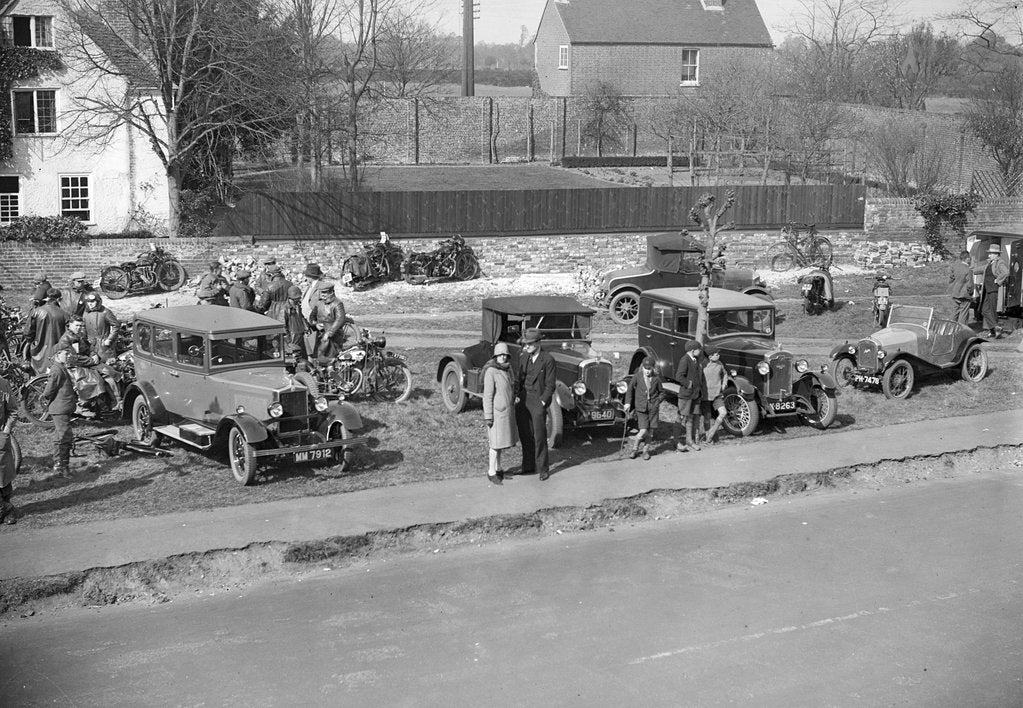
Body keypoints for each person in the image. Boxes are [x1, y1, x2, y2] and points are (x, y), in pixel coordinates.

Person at [515, 327, 556, 481]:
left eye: (530, 344)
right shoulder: (524, 356)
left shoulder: (548, 359)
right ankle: (528, 466)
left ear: (538, 343)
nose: (526, 347)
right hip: (523, 399)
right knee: (525, 434)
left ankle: (543, 468)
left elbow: (550, 385)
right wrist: (517, 396)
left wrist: (542, 402)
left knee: (539, 436)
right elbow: (519, 379)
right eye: (525, 344)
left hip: (537, 401)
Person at [482, 341, 518, 485]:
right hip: (497, 414)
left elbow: (511, 387)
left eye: (505, 354)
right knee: (495, 444)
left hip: (505, 412)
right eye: (500, 354)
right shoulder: (491, 371)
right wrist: (488, 416)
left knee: (501, 443)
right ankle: (491, 471)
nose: (503, 357)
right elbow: (488, 395)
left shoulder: (508, 369)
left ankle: (499, 468)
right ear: (495, 356)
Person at [56, 316, 107, 414]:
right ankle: (82, 406)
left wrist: (94, 355)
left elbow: (89, 348)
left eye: (81, 326)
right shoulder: (65, 339)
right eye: (77, 325)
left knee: (108, 371)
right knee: (95, 380)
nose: (79, 328)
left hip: (84, 362)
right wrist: (91, 360)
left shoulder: (80, 335)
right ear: (69, 325)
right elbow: (72, 358)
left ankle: (105, 403)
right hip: (72, 365)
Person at [43, 348, 77, 479]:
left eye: (69, 353)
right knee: (65, 437)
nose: (68, 356)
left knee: (59, 437)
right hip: (60, 408)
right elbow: (48, 390)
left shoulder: (60, 368)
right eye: (66, 354)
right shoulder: (56, 369)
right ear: (58, 354)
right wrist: (46, 397)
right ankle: (63, 467)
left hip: (63, 407)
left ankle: (58, 466)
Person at [623, 356, 664, 460]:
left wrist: (658, 401)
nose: (647, 371)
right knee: (643, 430)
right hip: (641, 408)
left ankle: (646, 451)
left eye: (649, 369)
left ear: (653, 368)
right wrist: (627, 403)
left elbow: (662, 393)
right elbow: (630, 390)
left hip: (653, 409)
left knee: (650, 432)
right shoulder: (637, 376)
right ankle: (634, 449)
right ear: (642, 367)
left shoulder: (656, 379)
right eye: (645, 368)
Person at [24, 288, 69, 374]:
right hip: (57, 350)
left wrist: (31, 341)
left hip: (38, 349)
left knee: (36, 375)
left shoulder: (36, 311)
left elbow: (28, 332)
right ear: (59, 299)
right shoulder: (64, 314)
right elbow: (69, 334)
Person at [974, 243, 1009, 338]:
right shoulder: (990, 263)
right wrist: (969, 270)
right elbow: (980, 269)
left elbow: (1005, 272)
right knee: (984, 310)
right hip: (987, 289)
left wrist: (998, 280)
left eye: (991, 253)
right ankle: (995, 328)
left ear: (996, 254)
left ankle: (994, 331)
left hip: (994, 289)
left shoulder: (1000, 262)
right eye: (989, 253)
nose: (989, 255)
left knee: (992, 310)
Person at [674, 339, 704, 452]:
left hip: (695, 395)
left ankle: (689, 440)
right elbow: (679, 376)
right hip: (686, 395)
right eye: (698, 349)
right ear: (692, 350)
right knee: (681, 417)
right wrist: (689, 384)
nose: (700, 351)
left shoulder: (695, 360)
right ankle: (676, 441)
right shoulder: (685, 360)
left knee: (691, 417)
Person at [306, 281, 347, 360]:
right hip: (320, 335)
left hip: (334, 336)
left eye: (325, 292)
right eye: (322, 292)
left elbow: (340, 319)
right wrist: (316, 325)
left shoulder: (337, 304)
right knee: (319, 358)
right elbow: (312, 317)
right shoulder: (319, 303)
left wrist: (329, 333)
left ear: (331, 292)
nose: (323, 295)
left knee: (333, 359)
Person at [0, 375, 19, 524]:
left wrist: (6, 432)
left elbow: (13, 411)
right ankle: (6, 508)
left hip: (0, 436)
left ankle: (7, 512)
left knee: (4, 475)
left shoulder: (3, 384)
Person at [701, 344, 728, 445]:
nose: (718, 356)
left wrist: (724, 383)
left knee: (723, 413)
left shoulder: (720, 364)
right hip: (705, 395)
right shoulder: (703, 365)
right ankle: (708, 437)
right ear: (710, 357)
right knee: (707, 417)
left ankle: (712, 432)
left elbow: (725, 374)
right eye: (716, 354)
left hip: (717, 394)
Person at [82, 292, 120, 361]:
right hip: (91, 344)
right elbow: (83, 326)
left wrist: (109, 339)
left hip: (103, 345)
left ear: (98, 301)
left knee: (107, 367)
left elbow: (116, 325)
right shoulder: (86, 312)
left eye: (93, 301)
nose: (90, 304)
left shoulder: (105, 312)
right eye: (88, 302)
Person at [282, 285, 309, 362]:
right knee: (295, 359)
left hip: (300, 335)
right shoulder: (285, 308)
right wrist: (288, 341)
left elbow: (301, 317)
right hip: (293, 338)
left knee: (303, 358)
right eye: (298, 297)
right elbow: (283, 326)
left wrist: (306, 327)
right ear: (292, 298)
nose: (300, 298)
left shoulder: (297, 306)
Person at [948, 250, 975, 326]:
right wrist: (971, 293)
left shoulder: (955, 267)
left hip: (955, 292)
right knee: (964, 313)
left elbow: (951, 278)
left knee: (955, 311)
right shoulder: (968, 270)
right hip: (964, 294)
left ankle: (950, 327)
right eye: (970, 258)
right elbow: (970, 285)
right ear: (967, 259)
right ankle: (961, 329)